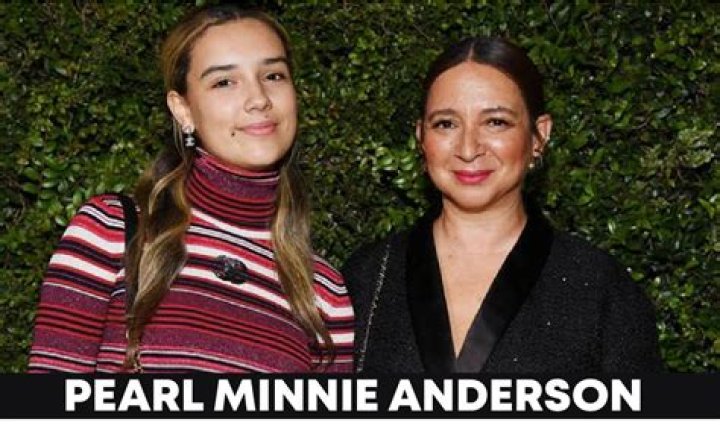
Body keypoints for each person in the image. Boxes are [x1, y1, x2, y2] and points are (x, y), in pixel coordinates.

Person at [28, 5, 353, 373]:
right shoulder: (110, 231)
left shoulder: (324, 291)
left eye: (274, 75)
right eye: (224, 82)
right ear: (182, 109)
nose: (259, 98)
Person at [343, 37, 662, 373]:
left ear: (539, 135)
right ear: (421, 136)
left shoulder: (598, 287)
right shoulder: (368, 277)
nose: (468, 149)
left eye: (496, 122)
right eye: (446, 124)